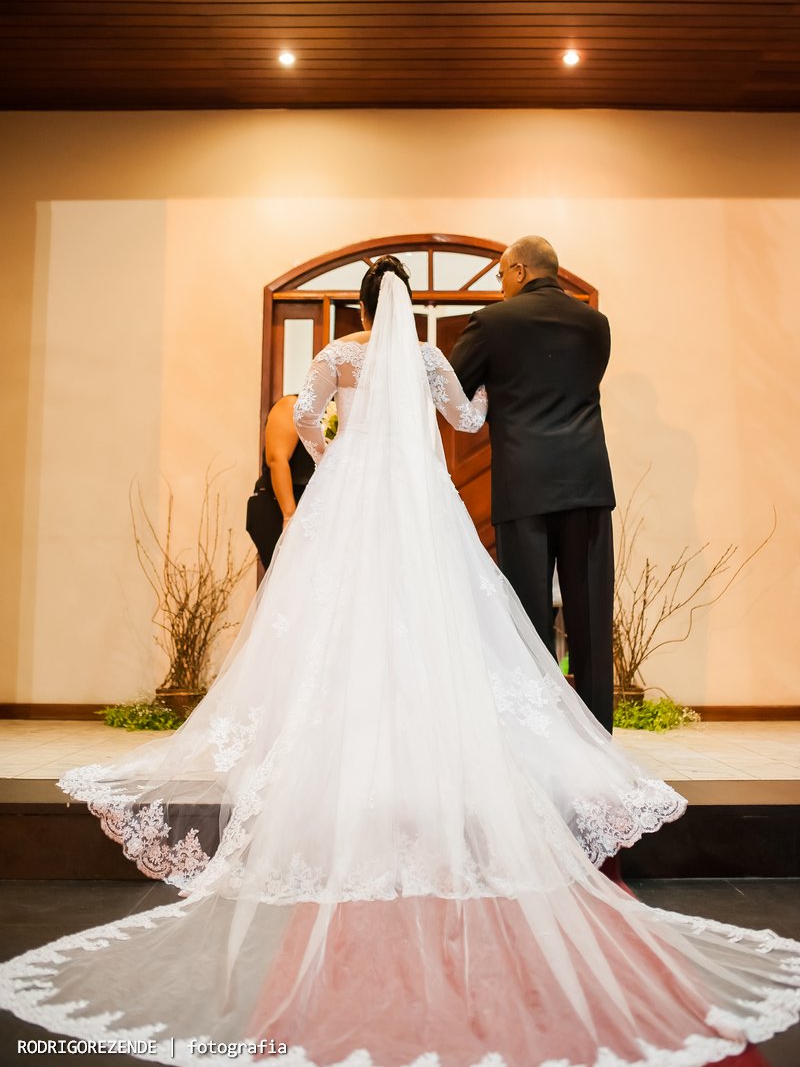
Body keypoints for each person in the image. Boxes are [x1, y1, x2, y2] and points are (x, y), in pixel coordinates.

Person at [1, 259, 797, 1067]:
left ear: (355, 306)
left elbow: (303, 420)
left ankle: (348, 732)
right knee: (437, 611)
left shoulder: (336, 357)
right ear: (408, 306)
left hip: (350, 497)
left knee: (338, 615)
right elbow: (470, 419)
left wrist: (338, 451)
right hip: (423, 499)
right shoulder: (428, 359)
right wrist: (490, 406)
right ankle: (431, 731)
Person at [450, 235, 616, 732]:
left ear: (519, 271)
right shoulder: (595, 323)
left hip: (524, 485)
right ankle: (598, 741)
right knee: (589, 620)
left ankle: (539, 740)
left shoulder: (492, 323)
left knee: (528, 621)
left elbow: (455, 385)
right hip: (587, 482)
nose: (500, 286)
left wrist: (494, 387)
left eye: (501, 276)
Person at [246, 395, 315, 568]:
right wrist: (289, 516)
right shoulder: (291, 405)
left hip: (313, 508)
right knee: (287, 577)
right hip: (279, 505)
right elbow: (277, 460)